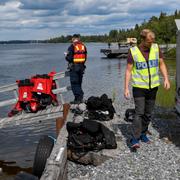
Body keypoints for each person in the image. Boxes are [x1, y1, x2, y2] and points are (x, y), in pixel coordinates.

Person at [124, 29, 170, 149]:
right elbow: (128, 71)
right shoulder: (133, 51)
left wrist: (166, 79)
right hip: (139, 87)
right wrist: (126, 88)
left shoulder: (155, 48)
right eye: (149, 41)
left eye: (152, 41)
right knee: (139, 112)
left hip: (153, 87)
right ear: (143, 40)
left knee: (148, 114)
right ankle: (135, 138)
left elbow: (161, 64)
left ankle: (143, 133)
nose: (151, 43)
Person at [65, 34, 87, 104]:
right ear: (79, 39)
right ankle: (77, 99)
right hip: (81, 67)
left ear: (73, 39)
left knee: (74, 84)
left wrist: (66, 56)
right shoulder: (83, 46)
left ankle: (79, 97)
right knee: (79, 83)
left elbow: (69, 58)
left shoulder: (72, 46)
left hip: (74, 68)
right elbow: (85, 57)